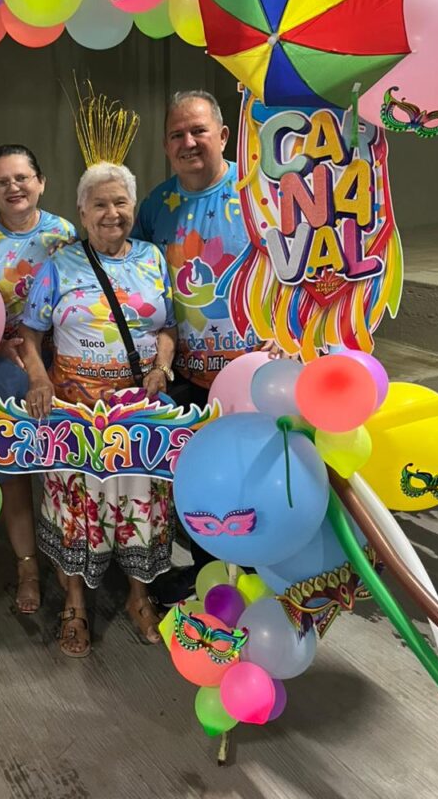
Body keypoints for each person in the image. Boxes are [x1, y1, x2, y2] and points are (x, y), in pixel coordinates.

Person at [20, 162, 177, 657]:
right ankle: (74, 604)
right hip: (75, 413)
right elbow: (30, 333)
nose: (112, 213)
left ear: (133, 207)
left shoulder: (152, 258)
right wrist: (39, 379)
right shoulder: (60, 266)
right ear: (82, 212)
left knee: (140, 504)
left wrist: (162, 368)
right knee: (76, 508)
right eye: (100, 204)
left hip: (138, 413)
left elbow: (167, 326)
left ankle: (138, 597)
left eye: (121, 202)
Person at [134, 90, 277, 603]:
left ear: (223, 134)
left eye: (198, 130)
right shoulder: (155, 206)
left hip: (256, 376)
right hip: (187, 379)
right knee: (196, 484)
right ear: (166, 146)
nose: (188, 142)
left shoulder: (259, 193)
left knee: (257, 482)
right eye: (177, 134)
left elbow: (296, 266)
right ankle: (207, 574)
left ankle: (262, 578)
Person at [0, 144, 75, 615]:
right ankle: (27, 567)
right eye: (2, 181)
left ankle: (69, 561)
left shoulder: (65, 235)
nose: (14, 187)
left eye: (22, 177)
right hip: (1, 362)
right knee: (15, 465)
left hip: (60, 359)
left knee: (64, 464)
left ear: (41, 182)